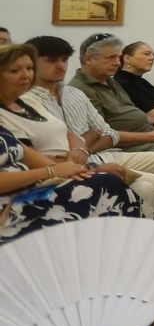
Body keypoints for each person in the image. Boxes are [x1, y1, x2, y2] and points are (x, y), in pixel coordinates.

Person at [17, 37, 154, 222]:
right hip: (74, 166)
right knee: (151, 187)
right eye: (52, 60)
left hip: (103, 154)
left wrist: (82, 147)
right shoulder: (26, 100)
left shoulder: (74, 93)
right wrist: (88, 140)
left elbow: (108, 132)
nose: (61, 66)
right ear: (32, 64)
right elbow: (60, 146)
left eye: (64, 59)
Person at [0, 43, 143, 243]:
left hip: (36, 183)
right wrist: (52, 172)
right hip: (12, 204)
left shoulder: (29, 102)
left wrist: (89, 167)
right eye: (14, 71)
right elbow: (46, 167)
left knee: (107, 181)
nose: (25, 75)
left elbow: (33, 155)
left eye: (29, 68)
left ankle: (124, 255)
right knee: (105, 187)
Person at [70, 35, 154, 150]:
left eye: (118, 57)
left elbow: (135, 111)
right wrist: (149, 136)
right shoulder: (81, 90)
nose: (117, 63)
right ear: (88, 59)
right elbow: (101, 134)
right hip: (131, 145)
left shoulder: (111, 82)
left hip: (151, 131)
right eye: (111, 58)